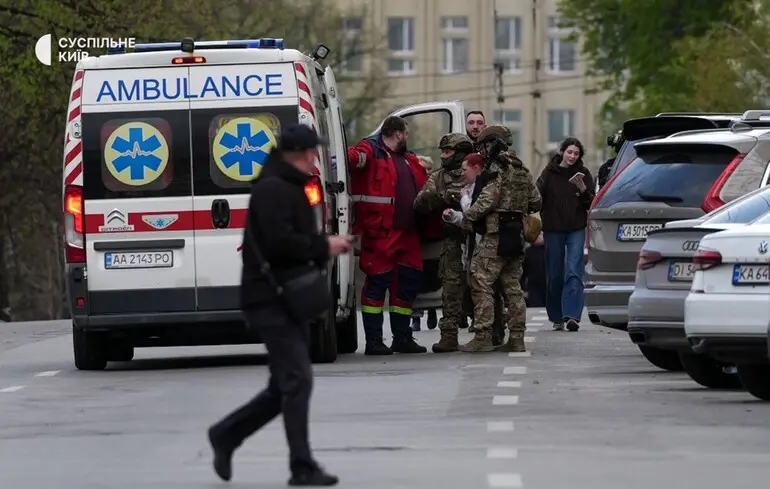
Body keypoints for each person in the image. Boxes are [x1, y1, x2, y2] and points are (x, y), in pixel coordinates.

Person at [207, 124, 351, 487]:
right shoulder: (273, 189)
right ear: (297, 154)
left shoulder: (287, 185)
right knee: (297, 379)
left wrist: (324, 244)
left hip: (288, 299)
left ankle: (226, 434)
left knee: (283, 386)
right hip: (270, 299)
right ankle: (301, 467)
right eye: (312, 152)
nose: (316, 157)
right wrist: (325, 246)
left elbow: (291, 240)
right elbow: (280, 244)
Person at [346, 116, 442, 355]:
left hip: (409, 235)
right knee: (377, 287)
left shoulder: (410, 160)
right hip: (380, 233)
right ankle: (374, 341)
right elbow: (352, 159)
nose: (407, 138)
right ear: (398, 133)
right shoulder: (371, 151)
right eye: (406, 134)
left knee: (406, 288)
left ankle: (402, 338)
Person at [450, 126, 542, 352]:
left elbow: (488, 200)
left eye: (483, 145)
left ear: (492, 144)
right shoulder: (522, 169)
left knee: (480, 281)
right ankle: (517, 338)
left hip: (495, 235)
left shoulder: (495, 168)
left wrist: (467, 217)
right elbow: (537, 202)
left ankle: (482, 336)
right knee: (513, 288)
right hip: (517, 236)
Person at [413, 133, 475, 352]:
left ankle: (490, 329)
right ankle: (448, 335)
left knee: (483, 285)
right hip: (451, 239)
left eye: (447, 151)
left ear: (460, 154)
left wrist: (457, 197)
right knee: (450, 286)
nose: (443, 155)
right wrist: (436, 198)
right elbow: (419, 204)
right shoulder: (438, 177)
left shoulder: (477, 173)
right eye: (442, 151)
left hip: (479, 238)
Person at [536, 137, 595, 332]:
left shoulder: (584, 174)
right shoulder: (549, 173)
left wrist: (583, 190)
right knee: (555, 274)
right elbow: (536, 196)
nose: (572, 156)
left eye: (576, 153)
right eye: (569, 152)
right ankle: (557, 316)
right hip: (553, 228)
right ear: (562, 152)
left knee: (574, 270)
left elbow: (590, 203)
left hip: (576, 227)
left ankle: (572, 315)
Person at [521, 232, 546, 307]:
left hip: (549, 285)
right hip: (533, 286)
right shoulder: (528, 252)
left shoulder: (550, 250)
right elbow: (523, 271)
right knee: (535, 306)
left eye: (540, 235)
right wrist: (522, 288)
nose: (538, 237)